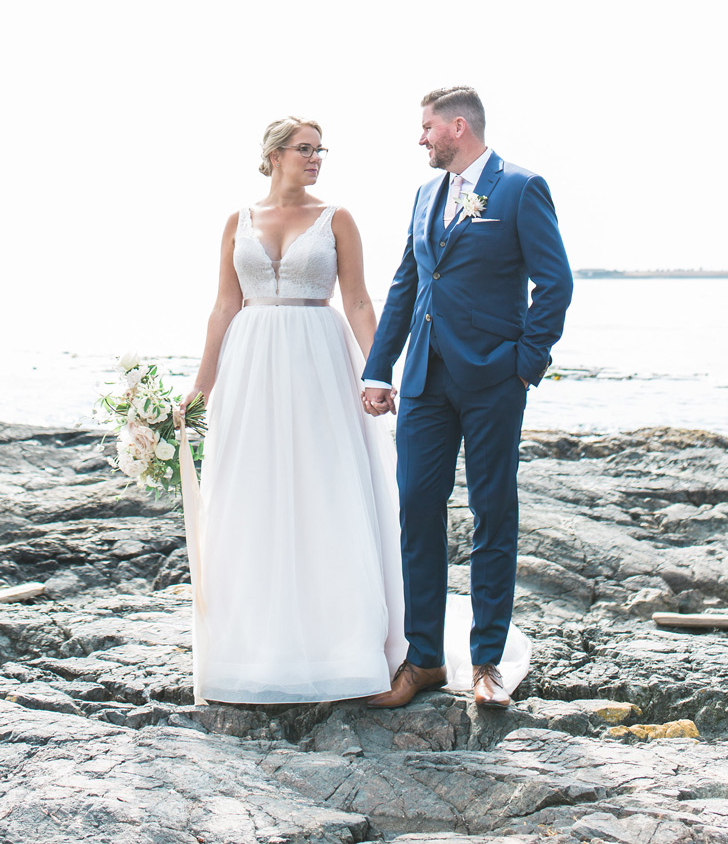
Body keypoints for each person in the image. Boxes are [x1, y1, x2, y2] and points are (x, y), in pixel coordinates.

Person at [180, 117, 404, 705]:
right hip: (250, 365)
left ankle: (341, 647)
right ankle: (254, 649)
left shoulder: (337, 219)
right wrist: (201, 389)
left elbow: (357, 299)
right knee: (251, 494)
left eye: (320, 150)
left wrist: (377, 371)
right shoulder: (238, 221)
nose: (316, 159)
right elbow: (224, 306)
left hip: (318, 361)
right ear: (275, 154)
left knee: (325, 491)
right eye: (306, 149)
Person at [361, 87, 573, 709]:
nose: (420, 139)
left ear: (459, 127)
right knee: (417, 511)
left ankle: (486, 663)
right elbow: (406, 285)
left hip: (492, 383)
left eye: (427, 127)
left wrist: (523, 366)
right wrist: (380, 370)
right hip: (425, 382)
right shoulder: (426, 195)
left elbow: (554, 284)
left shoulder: (519, 188)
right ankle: (422, 658)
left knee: (492, 514)